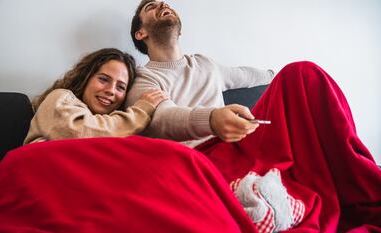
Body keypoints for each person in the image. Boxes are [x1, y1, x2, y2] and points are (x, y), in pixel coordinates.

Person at [127, 0, 381, 232]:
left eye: (165, 2)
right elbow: (161, 117)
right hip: (203, 157)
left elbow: (250, 76)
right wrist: (213, 119)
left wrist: (277, 77)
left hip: (240, 141)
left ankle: (361, 183)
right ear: (141, 34)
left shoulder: (205, 64)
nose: (162, 4)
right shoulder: (143, 78)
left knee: (302, 74)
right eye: (151, 6)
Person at [24, 48, 167, 144]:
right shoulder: (60, 97)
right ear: (86, 77)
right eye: (103, 79)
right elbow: (78, 133)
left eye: (120, 87)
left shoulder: (117, 129)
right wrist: (140, 111)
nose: (111, 90)